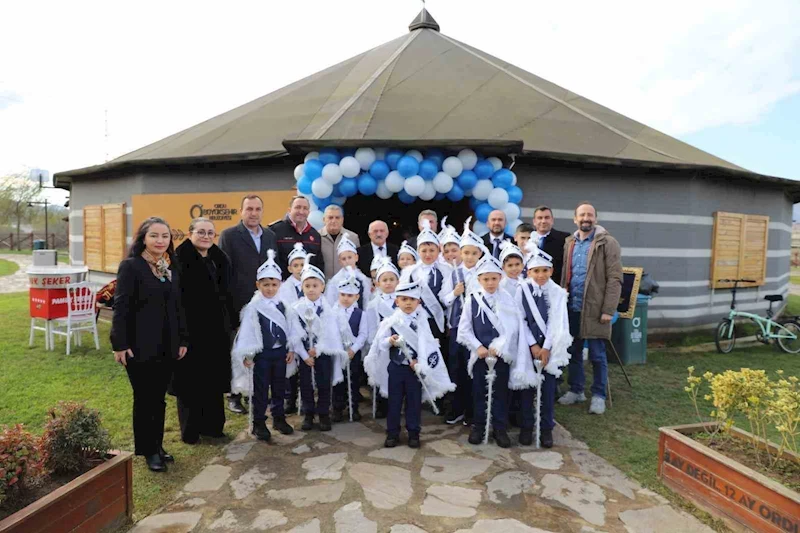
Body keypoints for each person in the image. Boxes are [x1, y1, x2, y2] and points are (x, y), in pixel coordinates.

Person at [111, 217, 188, 472]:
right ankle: (148, 451)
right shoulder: (131, 266)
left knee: (159, 399)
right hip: (139, 346)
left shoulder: (169, 266)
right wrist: (119, 344)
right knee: (145, 399)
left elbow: (178, 307)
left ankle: (158, 445)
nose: (160, 241)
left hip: (166, 345)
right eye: (154, 235)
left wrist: (182, 339)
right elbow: (120, 306)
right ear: (143, 238)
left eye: (165, 236)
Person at [364, 271, 454, 448]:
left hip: (414, 370)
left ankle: (414, 433)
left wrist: (419, 362)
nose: (407, 303)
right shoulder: (390, 322)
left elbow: (427, 345)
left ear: (418, 302)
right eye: (403, 299)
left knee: (414, 404)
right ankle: (392, 433)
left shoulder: (422, 322)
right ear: (397, 301)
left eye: (411, 300)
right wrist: (390, 341)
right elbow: (379, 344)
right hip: (396, 368)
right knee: (394, 403)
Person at [173, 218, 235, 444]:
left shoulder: (220, 259)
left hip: (216, 332)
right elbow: (177, 300)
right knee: (190, 384)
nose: (206, 236)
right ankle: (191, 431)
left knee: (213, 382)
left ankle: (213, 427)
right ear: (190, 233)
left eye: (210, 232)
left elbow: (228, 294)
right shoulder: (179, 260)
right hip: (191, 331)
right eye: (201, 232)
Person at [559, 202, 623, 415]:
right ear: (575, 218)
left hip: (596, 309)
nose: (586, 218)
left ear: (595, 218)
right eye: (582, 215)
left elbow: (615, 278)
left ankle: (598, 395)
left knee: (597, 355)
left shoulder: (608, 243)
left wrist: (608, 309)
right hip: (572, 307)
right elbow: (564, 275)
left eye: (590, 215)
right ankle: (577, 390)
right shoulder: (570, 242)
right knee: (574, 351)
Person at [219, 194, 278, 415]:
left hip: (264, 303)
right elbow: (224, 271)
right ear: (241, 211)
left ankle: (258, 392)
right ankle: (234, 395)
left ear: (262, 211)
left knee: (261, 348)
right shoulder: (229, 235)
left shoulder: (270, 236)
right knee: (237, 350)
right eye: (249, 209)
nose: (253, 213)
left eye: (257, 209)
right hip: (238, 303)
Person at [230, 250, 296, 442]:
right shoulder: (254, 306)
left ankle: (279, 418)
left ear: (280, 284)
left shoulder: (284, 305)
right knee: (261, 389)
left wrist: (291, 347)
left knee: (279, 386)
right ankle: (259, 422)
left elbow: (292, 328)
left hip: (280, 353)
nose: (269, 288)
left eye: (274, 284)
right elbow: (249, 331)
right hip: (262, 354)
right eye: (265, 285)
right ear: (258, 285)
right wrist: (248, 354)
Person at [457, 254, 520, 448]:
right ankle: (479, 425)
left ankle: (499, 428)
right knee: (479, 391)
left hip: (500, 355)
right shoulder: (473, 299)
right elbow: (464, 328)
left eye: (494, 278)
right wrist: (478, 347)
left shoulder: (508, 299)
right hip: (480, 355)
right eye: (486, 279)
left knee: (500, 392)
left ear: (500, 278)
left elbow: (512, 328)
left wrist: (499, 347)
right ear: (479, 280)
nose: (490, 282)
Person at [515, 244, 572, 447]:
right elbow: (520, 319)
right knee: (527, 389)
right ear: (528, 271)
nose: (540, 275)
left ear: (551, 271)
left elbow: (557, 322)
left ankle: (546, 429)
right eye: (536, 271)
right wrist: (533, 345)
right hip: (528, 347)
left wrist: (546, 348)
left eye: (544, 270)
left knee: (547, 391)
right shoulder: (522, 290)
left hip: (550, 348)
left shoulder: (557, 293)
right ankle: (526, 427)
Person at [290, 255, 345, 431]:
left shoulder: (329, 309)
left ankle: (323, 413)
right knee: (306, 384)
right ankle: (308, 413)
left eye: (315, 286)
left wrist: (318, 349)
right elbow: (294, 334)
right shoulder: (296, 308)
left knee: (323, 384)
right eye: (307, 286)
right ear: (302, 287)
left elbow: (330, 332)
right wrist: (305, 355)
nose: (311, 289)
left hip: (323, 353)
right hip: (305, 355)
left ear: (322, 286)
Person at [439, 218, 484, 426]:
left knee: (473, 369)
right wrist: (454, 293)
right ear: (460, 253)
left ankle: (473, 412)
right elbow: (443, 298)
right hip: (457, 328)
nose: (469, 257)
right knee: (456, 368)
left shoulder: (485, 274)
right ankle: (456, 408)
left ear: (480, 254)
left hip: (477, 329)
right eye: (466, 252)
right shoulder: (454, 272)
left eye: (474, 253)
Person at [331, 268, 368, 422]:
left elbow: (363, 334)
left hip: (353, 352)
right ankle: (337, 408)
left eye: (350, 295)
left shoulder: (361, 314)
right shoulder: (332, 313)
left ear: (357, 296)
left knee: (353, 380)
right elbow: (330, 333)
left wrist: (353, 349)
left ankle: (353, 406)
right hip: (338, 352)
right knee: (338, 381)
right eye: (343, 295)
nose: (346, 298)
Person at [365, 258, 400, 418]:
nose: (388, 283)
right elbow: (372, 327)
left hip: (400, 342)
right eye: (384, 280)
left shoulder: (403, 300)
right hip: (382, 344)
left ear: (397, 281)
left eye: (391, 279)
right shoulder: (373, 304)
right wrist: (376, 343)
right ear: (378, 283)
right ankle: (382, 404)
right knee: (382, 372)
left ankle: (398, 403)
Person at [277, 242, 307, 414]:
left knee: (305, 366)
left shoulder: (312, 283)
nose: (299, 268)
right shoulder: (284, 287)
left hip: (307, 330)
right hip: (290, 329)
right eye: (296, 265)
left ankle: (305, 398)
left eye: (302, 264)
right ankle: (290, 398)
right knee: (290, 365)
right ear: (289, 268)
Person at [270, 196, 323, 279]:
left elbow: (319, 264)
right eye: (298, 207)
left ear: (309, 212)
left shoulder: (315, 235)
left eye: (305, 208)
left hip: (308, 288)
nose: (301, 211)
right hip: (282, 286)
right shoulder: (275, 231)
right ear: (289, 210)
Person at [325, 234, 372, 310]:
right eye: (344, 259)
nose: (347, 261)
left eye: (350, 257)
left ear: (356, 257)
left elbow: (366, 300)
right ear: (340, 261)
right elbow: (331, 301)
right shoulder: (336, 280)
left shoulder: (363, 279)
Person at [319, 205, 361, 280]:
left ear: (342, 220)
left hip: (346, 285)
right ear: (324, 219)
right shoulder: (317, 237)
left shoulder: (353, 237)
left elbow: (358, 264)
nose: (334, 221)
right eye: (330, 217)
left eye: (337, 218)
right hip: (322, 286)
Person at [532, 206, 570, 285]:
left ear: (552, 220)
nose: (543, 221)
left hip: (555, 287)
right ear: (534, 221)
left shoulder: (564, 238)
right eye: (540, 218)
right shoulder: (526, 238)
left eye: (547, 218)